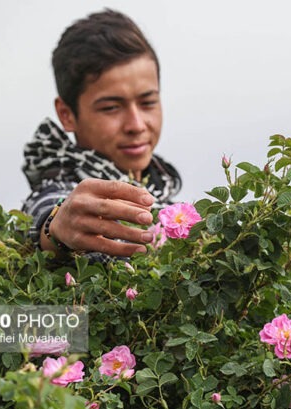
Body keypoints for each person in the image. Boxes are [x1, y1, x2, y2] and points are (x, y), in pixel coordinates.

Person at [21, 9, 181, 262]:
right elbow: (49, 210)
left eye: (148, 102)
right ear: (66, 114)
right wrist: (55, 229)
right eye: (111, 108)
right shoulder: (59, 189)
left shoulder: (168, 196)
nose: (136, 125)